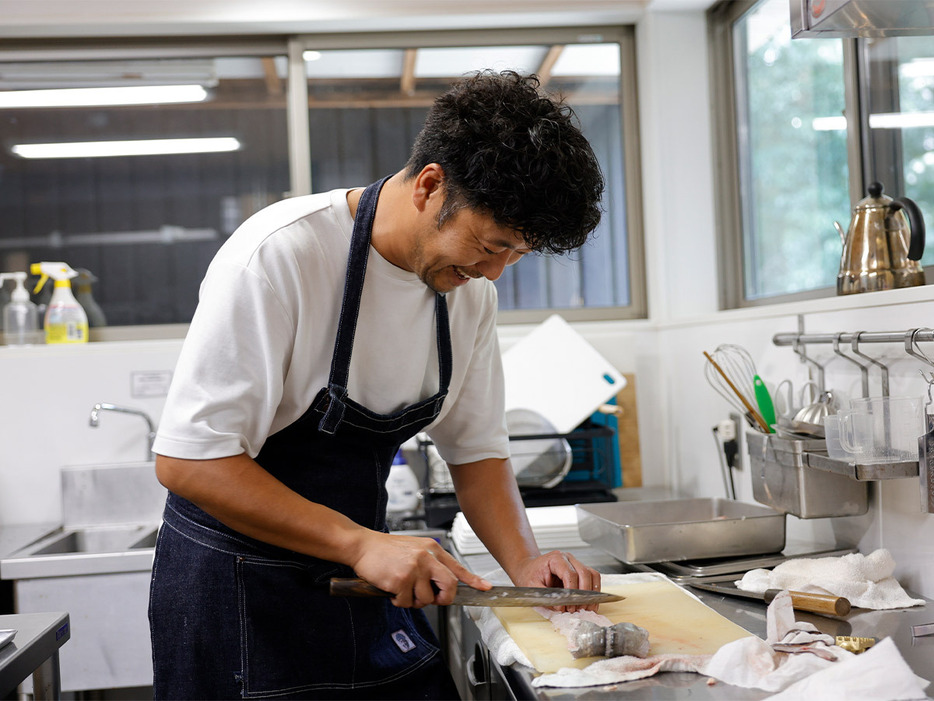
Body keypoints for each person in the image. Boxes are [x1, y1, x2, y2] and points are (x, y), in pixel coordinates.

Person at [149, 69, 605, 700]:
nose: (493, 271)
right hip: (235, 598)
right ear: (429, 185)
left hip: (362, 580)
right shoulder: (282, 256)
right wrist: (359, 543)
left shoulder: (468, 296)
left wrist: (524, 563)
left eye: (517, 255)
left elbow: (476, 452)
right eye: (490, 244)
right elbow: (189, 460)